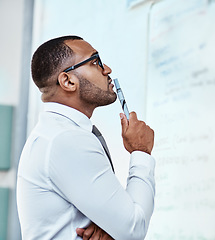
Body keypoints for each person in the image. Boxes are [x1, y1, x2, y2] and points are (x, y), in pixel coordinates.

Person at [16, 35, 156, 240]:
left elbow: (123, 228)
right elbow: (134, 230)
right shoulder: (67, 139)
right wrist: (141, 151)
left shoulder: (57, 134)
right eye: (95, 62)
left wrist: (111, 228)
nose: (107, 69)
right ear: (68, 81)